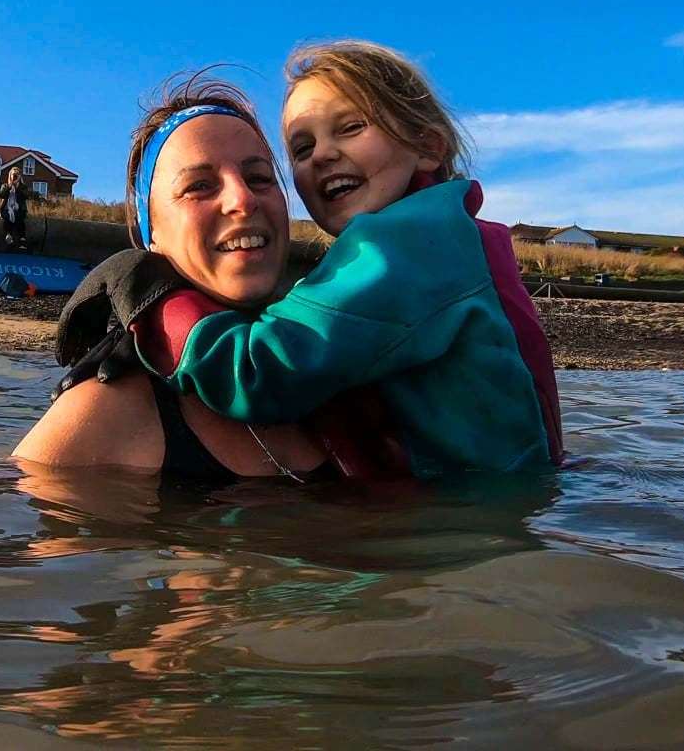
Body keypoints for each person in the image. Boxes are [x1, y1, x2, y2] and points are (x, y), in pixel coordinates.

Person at [117, 41, 562, 478]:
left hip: (470, 527)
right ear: (149, 231)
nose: (324, 154)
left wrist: (150, 296)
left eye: (350, 128)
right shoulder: (451, 237)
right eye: (303, 149)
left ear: (427, 146)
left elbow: (259, 370)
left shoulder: (403, 247)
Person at [13, 74, 343, 481]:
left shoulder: (348, 361)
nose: (243, 199)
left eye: (259, 178)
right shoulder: (104, 415)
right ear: (153, 234)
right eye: (199, 186)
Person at [0, 164, 29, 249]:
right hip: (7, 208)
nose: (14, 177)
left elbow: (25, 196)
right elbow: (1, 195)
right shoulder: (5, 185)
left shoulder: (23, 187)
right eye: (13, 175)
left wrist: (17, 187)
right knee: (7, 216)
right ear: (10, 175)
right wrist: (9, 187)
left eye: (16, 175)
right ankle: (9, 236)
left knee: (19, 217)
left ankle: (22, 239)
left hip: (19, 209)